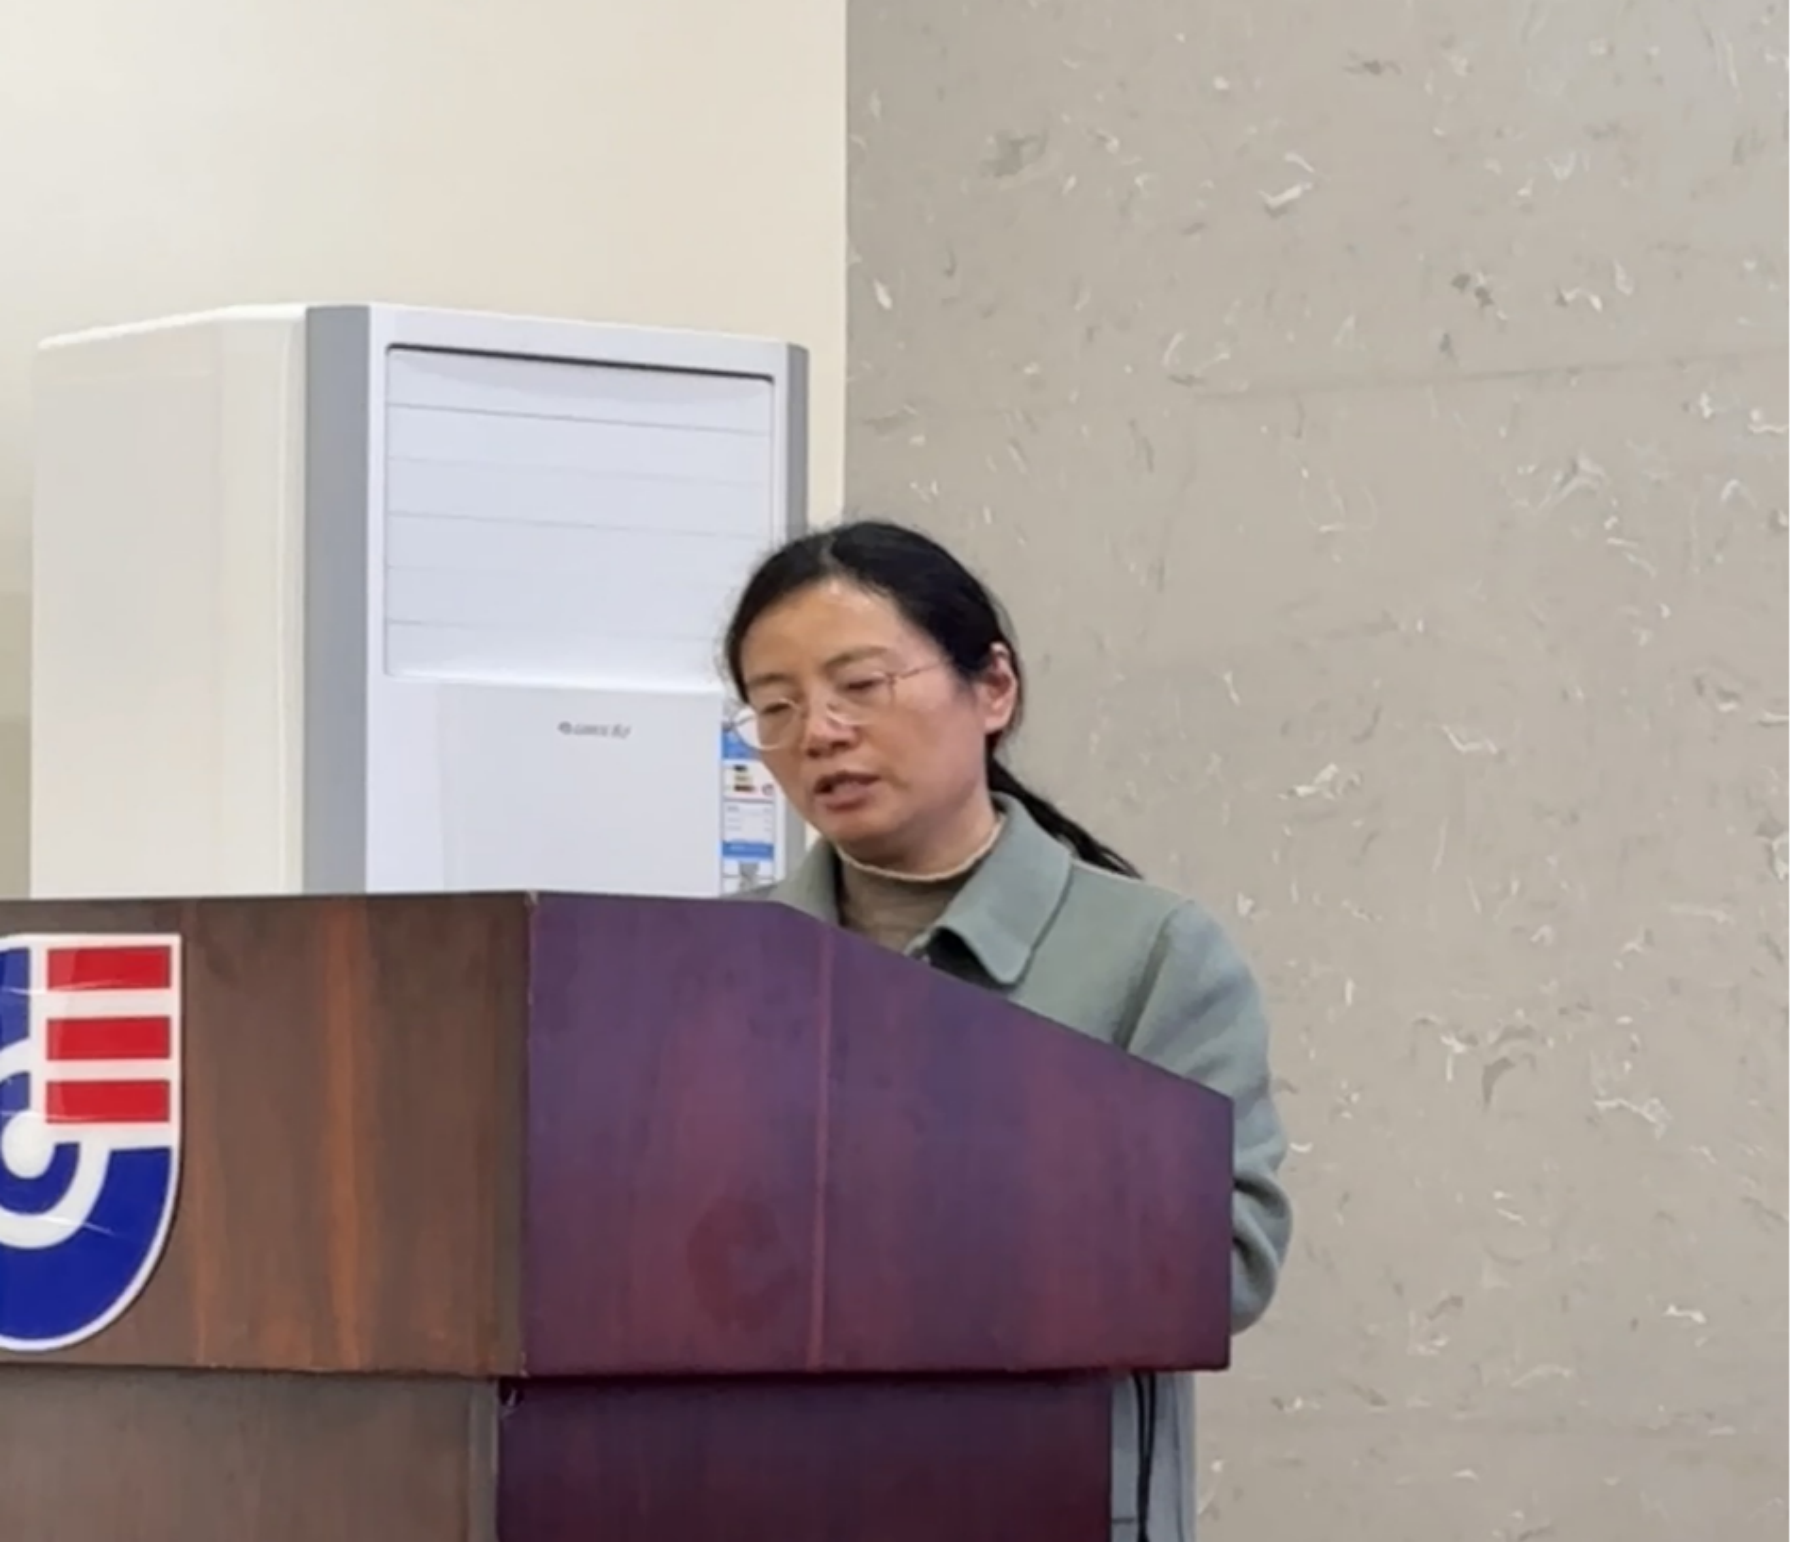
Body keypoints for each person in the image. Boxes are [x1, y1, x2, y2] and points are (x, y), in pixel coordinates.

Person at [721, 517, 1292, 1542]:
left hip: (1045, 1501)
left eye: (860, 685)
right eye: (775, 706)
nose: (819, 733)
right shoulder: (715, 963)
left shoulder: (1151, 954)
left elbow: (1225, 1267)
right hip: (759, 1492)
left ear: (992, 688)